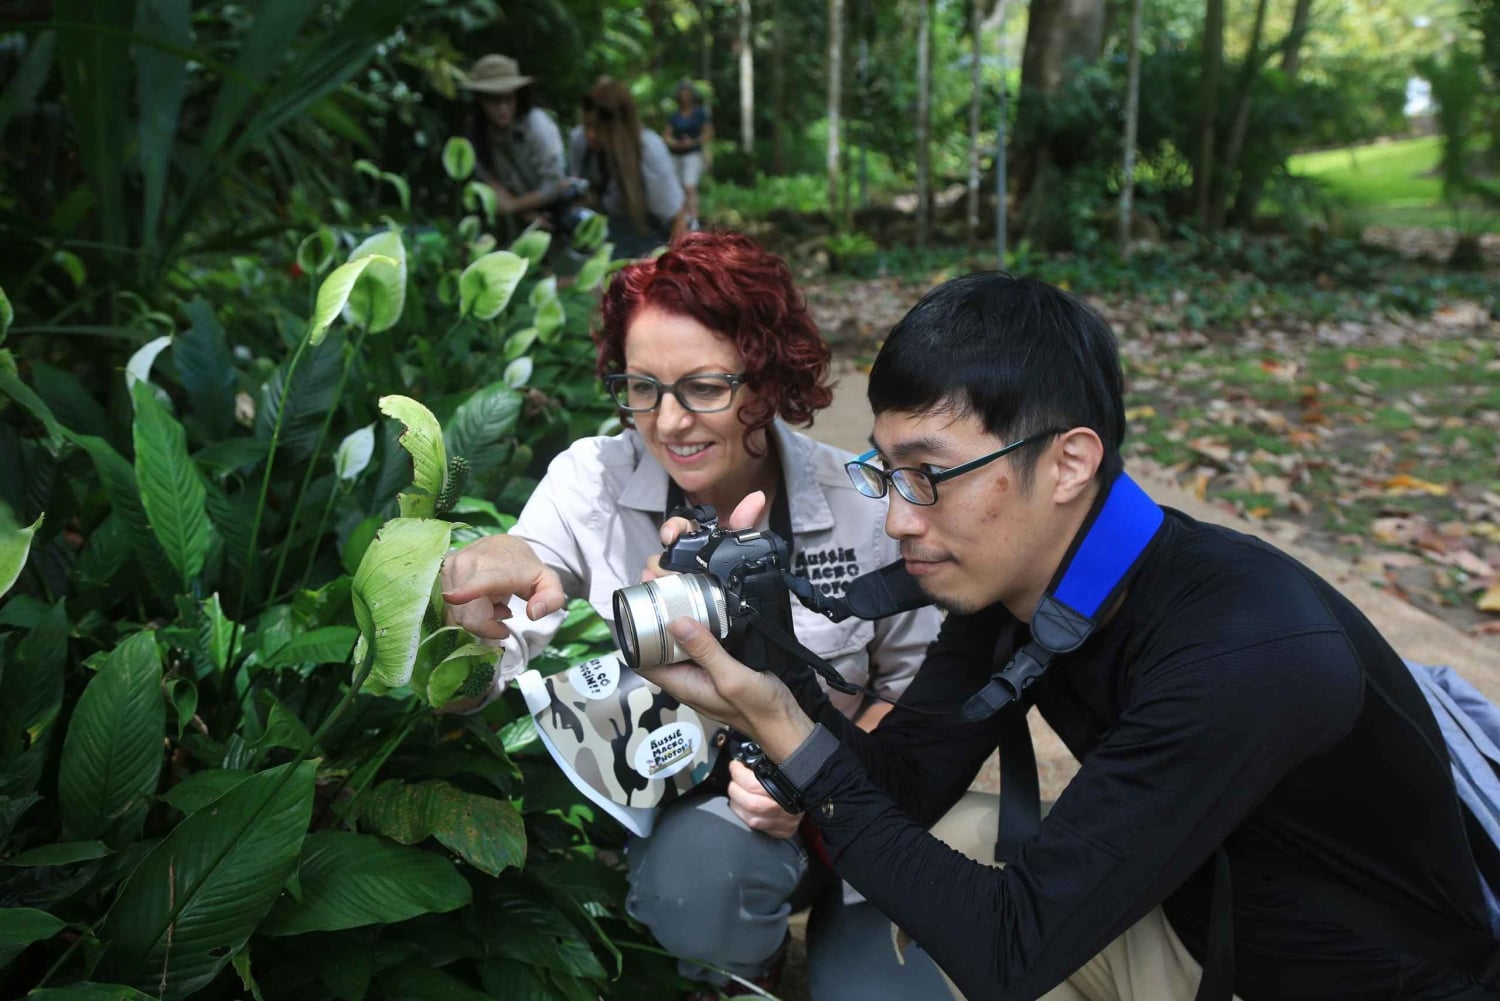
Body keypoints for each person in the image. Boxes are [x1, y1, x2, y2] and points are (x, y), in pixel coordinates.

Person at [634, 272, 1500, 1000]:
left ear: (1069, 462)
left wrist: (785, 730)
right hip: (1202, 913)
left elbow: (1012, 950)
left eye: (929, 475)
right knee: (958, 844)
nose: (898, 517)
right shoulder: (1031, 579)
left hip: (1354, 980)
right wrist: (767, 659)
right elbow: (905, 784)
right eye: (886, 471)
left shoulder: (1243, 650)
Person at [439, 231, 946, 999]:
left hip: (852, 813)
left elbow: (912, 690)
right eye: (642, 386)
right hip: (688, 828)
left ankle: (836, 923)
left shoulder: (858, 502)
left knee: (883, 989)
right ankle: (730, 971)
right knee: (705, 875)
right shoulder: (593, 484)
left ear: (768, 378)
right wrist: (479, 613)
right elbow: (509, 622)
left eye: (704, 386)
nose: (669, 420)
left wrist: (820, 778)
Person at [568, 79, 686, 259]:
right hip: (611, 236)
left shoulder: (648, 151)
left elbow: (677, 219)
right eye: (587, 125)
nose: (591, 135)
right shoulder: (580, 141)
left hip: (654, 238)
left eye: (599, 128)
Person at [458, 54, 569, 233]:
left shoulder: (537, 125)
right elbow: (486, 178)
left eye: (508, 99)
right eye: (494, 100)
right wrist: (521, 211)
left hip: (555, 216)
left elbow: (554, 183)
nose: (503, 109)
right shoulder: (477, 131)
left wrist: (513, 206)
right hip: (515, 224)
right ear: (480, 100)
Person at [664, 79, 713, 230]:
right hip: (676, 155)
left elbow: (708, 133)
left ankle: (693, 219)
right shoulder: (675, 115)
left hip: (693, 154)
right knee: (677, 188)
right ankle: (681, 218)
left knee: (689, 186)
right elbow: (666, 135)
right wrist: (674, 143)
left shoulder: (699, 113)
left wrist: (693, 142)